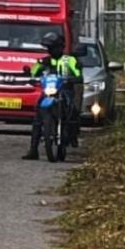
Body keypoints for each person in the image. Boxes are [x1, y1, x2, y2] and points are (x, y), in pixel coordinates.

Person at [23, 31, 82, 160]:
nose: (51, 50)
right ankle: (33, 149)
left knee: (73, 112)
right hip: (48, 91)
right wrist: (31, 76)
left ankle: (73, 137)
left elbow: (78, 73)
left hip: (65, 91)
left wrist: (75, 78)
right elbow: (34, 72)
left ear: (60, 47)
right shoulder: (43, 61)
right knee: (37, 117)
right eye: (49, 48)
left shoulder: (70, 60)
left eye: (53, 47)